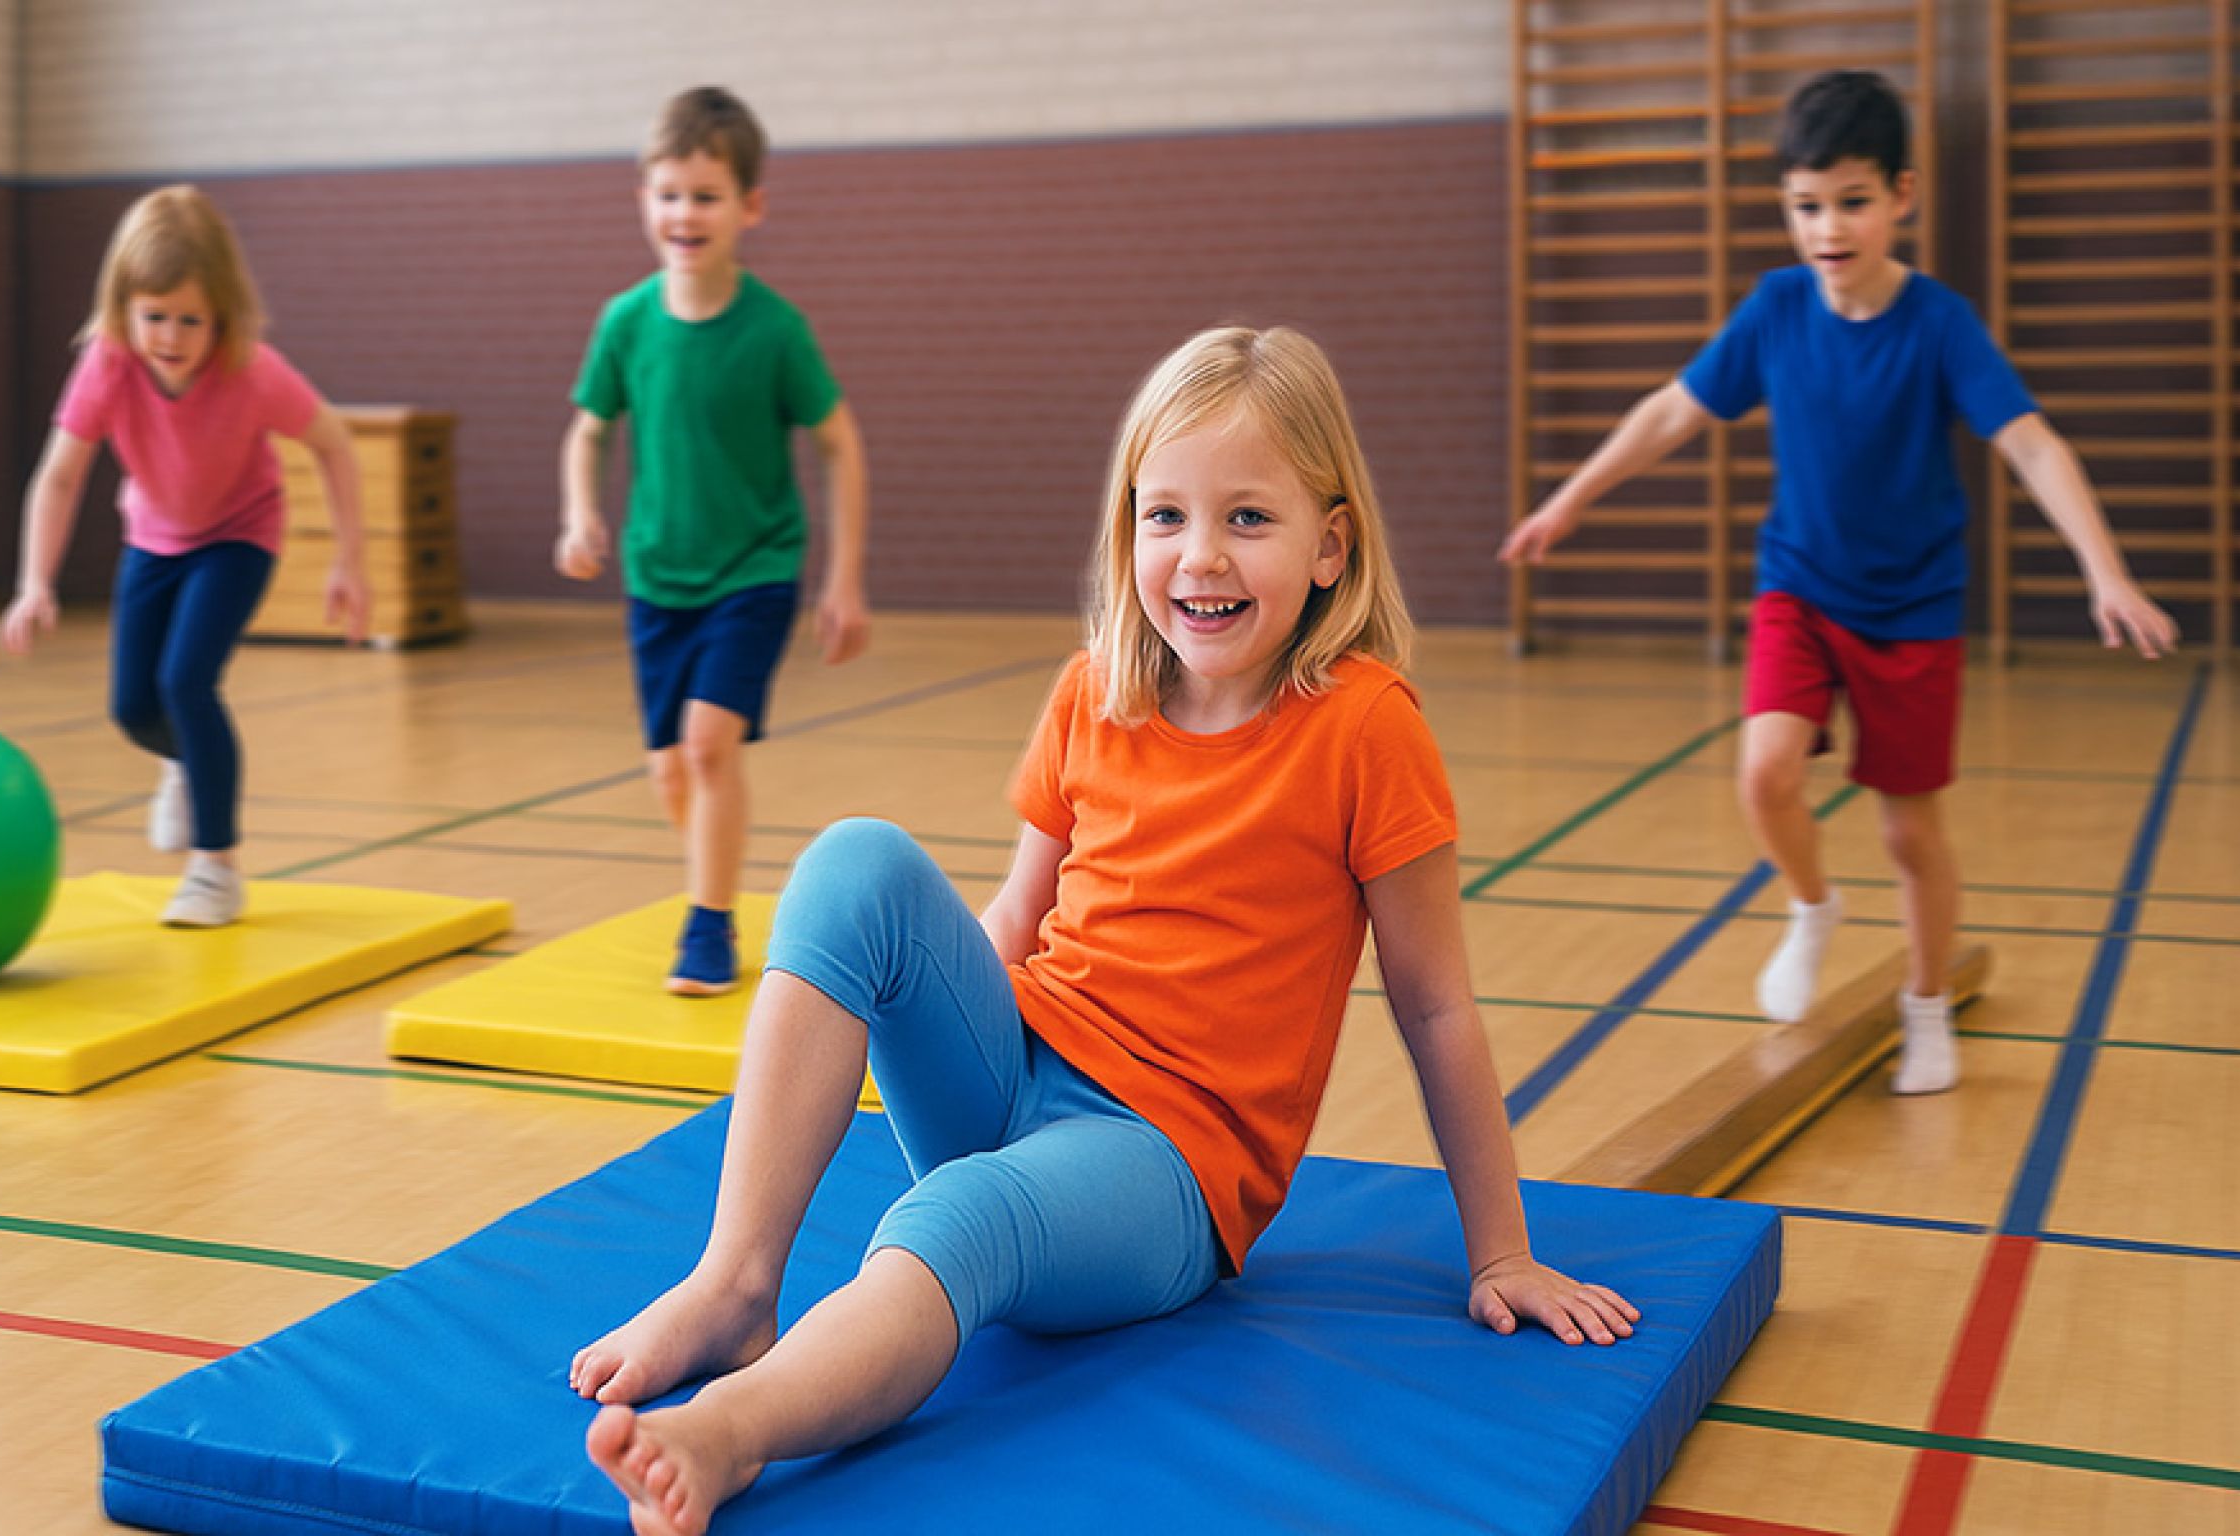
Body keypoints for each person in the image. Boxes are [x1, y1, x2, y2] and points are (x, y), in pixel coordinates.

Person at [569, 325, 1636, 1536]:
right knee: (855, 858)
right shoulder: (1096, 692)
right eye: (1165, 516)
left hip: (1166, 1168)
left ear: (1332, 545)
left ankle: (731, 1432)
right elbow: (1014, 921)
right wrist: (919, 1033)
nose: (1198, 555)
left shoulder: (1364, 730)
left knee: (950, 1222)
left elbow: (1436, 1006)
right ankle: (733, 1283)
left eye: (1248, 518)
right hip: (1021, 1073)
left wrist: (1500, 1251)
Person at [1501, 70, 2179, 1094]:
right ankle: (1813, 904)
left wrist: (2106, 573)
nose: (1827, 227)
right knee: (1764, 773)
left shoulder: (1937, 324)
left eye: (1851, 202)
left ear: (1900, 195)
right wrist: (1572, 499)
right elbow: (1674, 410)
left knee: (1910, 830)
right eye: (1805, 205)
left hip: (1912, 610)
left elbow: (2031, 446)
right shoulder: (1776, 308)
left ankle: (1923, 1006)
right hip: (1801, 588)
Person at [556, 85, 872, 996]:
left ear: (749, 207)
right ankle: (715, 875)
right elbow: (587, 429)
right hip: (660, 578)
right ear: (644, 200)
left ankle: (709, 923)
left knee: (705, 745)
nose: (684, 214)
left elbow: (839, 442)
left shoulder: (774, 330)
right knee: (671, 770)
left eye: (705, 196)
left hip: (755, 570)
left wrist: (841, 579)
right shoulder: (626, 322)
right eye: (668, 194)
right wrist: (581, 513)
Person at [0, 184, 371, 928]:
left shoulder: (253, 370)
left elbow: (335, 445)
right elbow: (61, 473)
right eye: (153, 318)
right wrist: (33, 581)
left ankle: (216, 869)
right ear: (124, 310)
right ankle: (182, 764)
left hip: (238, 534)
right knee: (134, 705)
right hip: (154, 537)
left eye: (189, 320)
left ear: (222, 315)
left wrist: (349, 562)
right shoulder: (107, 365)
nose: (170, 337)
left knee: (187, 681)